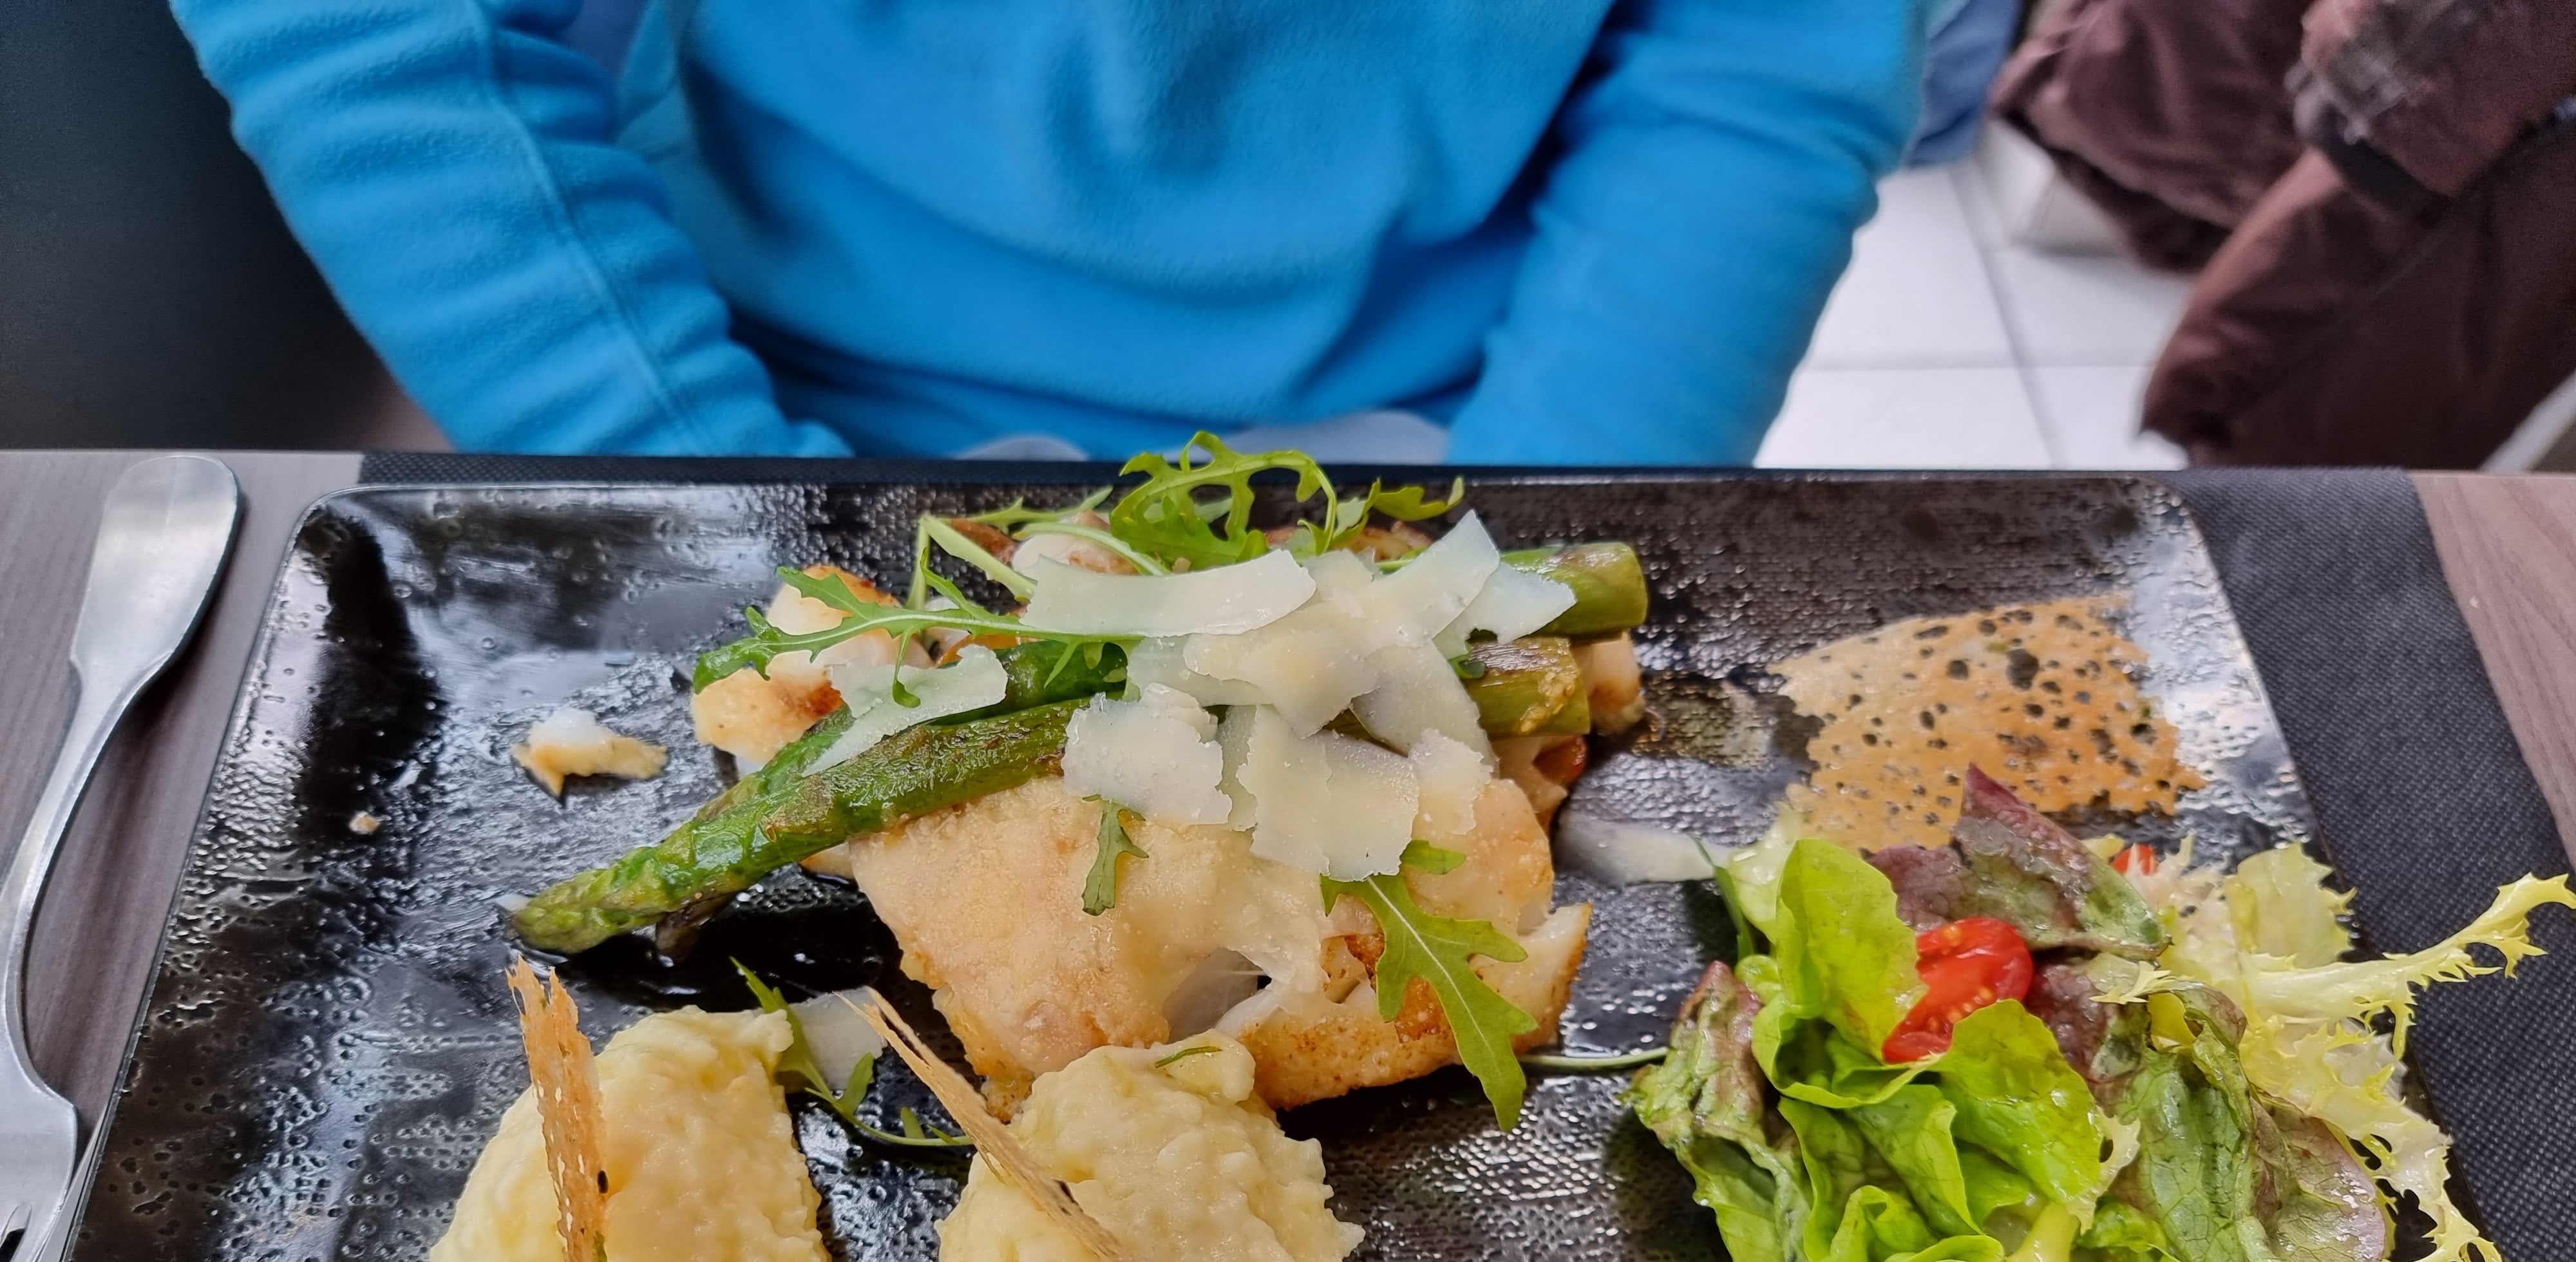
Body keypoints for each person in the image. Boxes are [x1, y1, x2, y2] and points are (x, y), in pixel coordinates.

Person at [172, 1, 1929, 464]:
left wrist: (1549, 513)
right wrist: (702, 487)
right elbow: (378, 32)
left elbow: (1762, 60)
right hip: (749, 387)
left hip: (1469, 416)